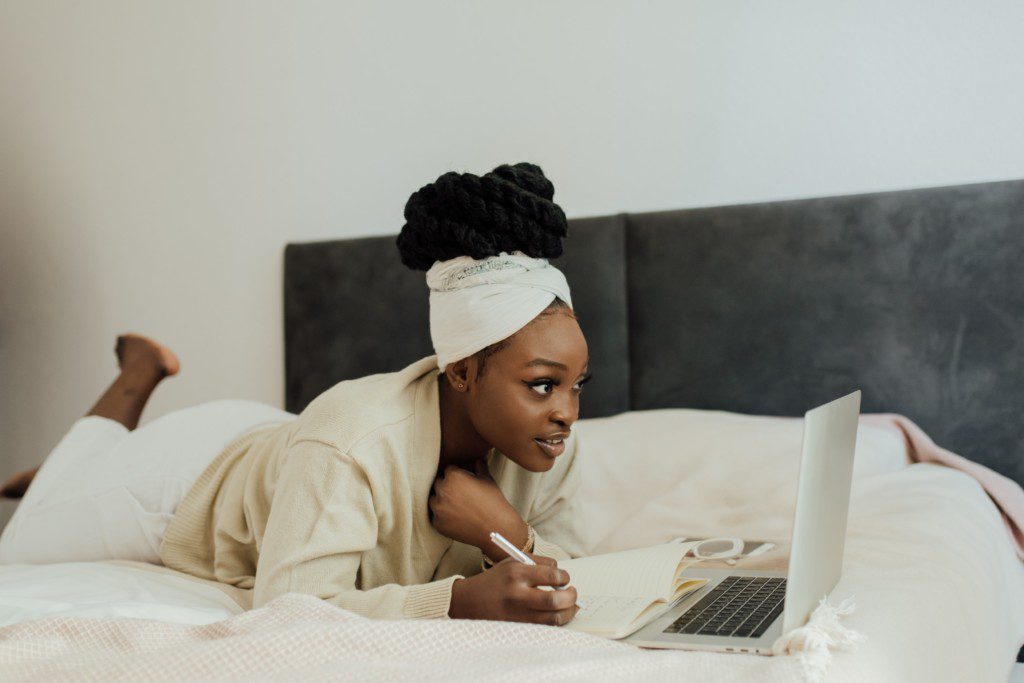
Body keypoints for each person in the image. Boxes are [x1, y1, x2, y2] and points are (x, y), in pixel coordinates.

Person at [0, 162, 591, 627]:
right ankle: (137, 372)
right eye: (542, 385)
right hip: (188, 482)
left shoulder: (548, 442)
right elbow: (290, 607)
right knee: (25, 534)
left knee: (62, 482)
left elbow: (588, 579)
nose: (566, 411)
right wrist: (458, 600)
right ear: (461, 371)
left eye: (575, 385)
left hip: (291, 456)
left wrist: (510, 537)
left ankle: (60, 471)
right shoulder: (350, 443)